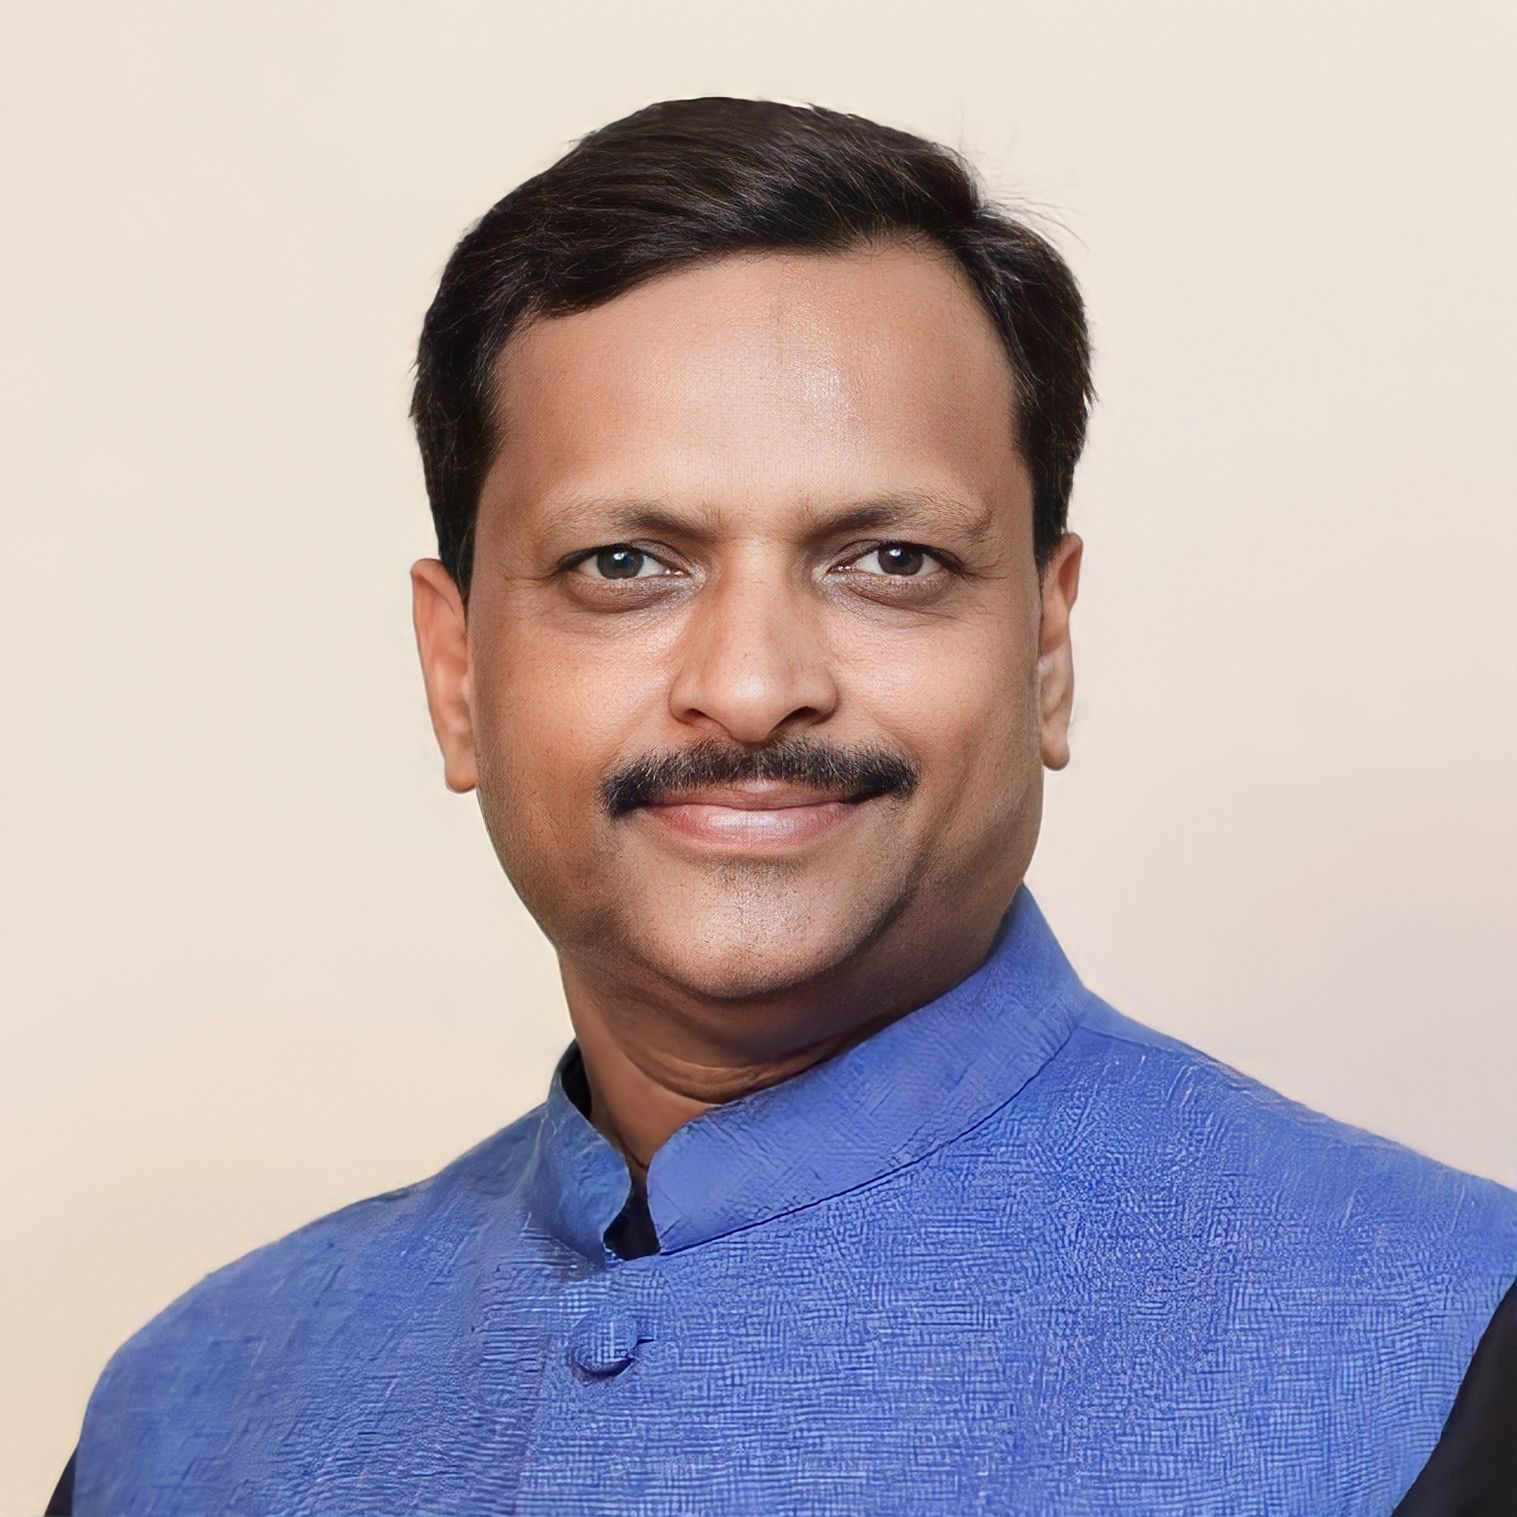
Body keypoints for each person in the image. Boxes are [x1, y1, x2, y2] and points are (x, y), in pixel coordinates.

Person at [53, 96, 1515, 1516]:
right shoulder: (183, 1422)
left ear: (1045, 649)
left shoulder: (1451, 1342)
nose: (752, 689)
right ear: (456, 674)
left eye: (890, 561)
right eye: (624, 565)